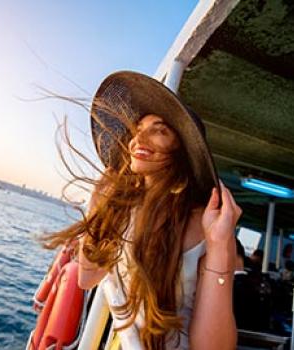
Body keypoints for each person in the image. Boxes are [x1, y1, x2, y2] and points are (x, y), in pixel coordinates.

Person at [41, 71, 241, 350]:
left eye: (159, 130)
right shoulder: (122, 211)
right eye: (137, 129)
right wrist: (98, 203)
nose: (138, 138)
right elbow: (87, 278)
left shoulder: (204, 226)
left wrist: (221, 246)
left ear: (182, 150)